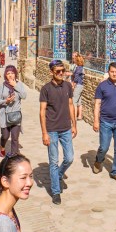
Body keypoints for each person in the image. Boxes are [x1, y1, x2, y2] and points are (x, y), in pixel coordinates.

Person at [39, 60, 77, 205]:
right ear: (51, 72)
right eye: (58, 71)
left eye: (63, 70)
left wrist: (74, 124)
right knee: (53, 161)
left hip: (66, 128)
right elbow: (42, 112)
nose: (61, 73)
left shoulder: (68, 86)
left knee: (70, 158)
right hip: (52, 130)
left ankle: (59, 174)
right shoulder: (46, 89)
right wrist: (44, 133)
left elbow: (70, 104)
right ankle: (56, 191)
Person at [0, 65, 27, 159]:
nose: (10, 75)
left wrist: (15, 86)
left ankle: (14, 155)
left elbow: (24, 96)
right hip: (4, 115)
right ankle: (2, 146)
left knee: (14, 138)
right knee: (5, 136)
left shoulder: (19, 84)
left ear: (15, 74)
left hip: (16, 115)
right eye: (8, 73)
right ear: (5, 74)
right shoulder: (1, 87)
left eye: (12, 73)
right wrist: (6, 101)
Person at [70, 52, 84, 121]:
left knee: (74, 102)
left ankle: (74, 117)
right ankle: (79, 116)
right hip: (80, 85)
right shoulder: (80, 67)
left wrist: (73, 85)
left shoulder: (78, 68)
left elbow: (76, 78)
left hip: (78, 85)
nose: (74, 59)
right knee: (79, 101)